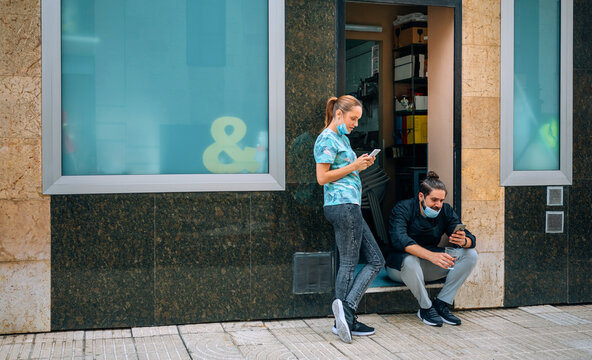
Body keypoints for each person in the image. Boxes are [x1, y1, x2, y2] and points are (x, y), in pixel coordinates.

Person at [314, 95, 385, 343]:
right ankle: (345, 317)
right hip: (342, 206)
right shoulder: (326, 139)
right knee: (349, 263)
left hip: (347, 206)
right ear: (339, 115)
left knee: (376, 259)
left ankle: (345, 314)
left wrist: (360, 165)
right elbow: (322, 177)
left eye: (357, 119)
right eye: (353, 118)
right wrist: (355, 166)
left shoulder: (341, 138)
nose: (356, 123)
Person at [386, 171, 478, 327]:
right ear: (421, 196)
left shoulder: (445, 210)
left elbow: (471, 238)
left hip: (428, 266)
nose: (438, 205)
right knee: (410, 260)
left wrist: (464, 241)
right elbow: (400, 240)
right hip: (400, 267)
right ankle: (426, 307)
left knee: (470, 254)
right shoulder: (403, 208)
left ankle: (441, 303)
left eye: (441, 200)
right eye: (434, 200)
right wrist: (432, 256)